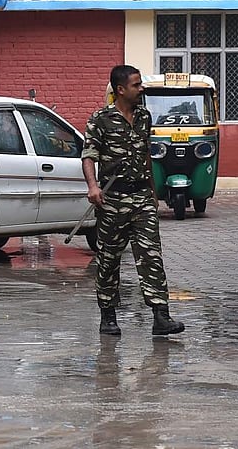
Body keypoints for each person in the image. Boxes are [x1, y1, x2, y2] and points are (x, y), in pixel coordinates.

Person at [81, 64, 185, 337]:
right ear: (120, 90)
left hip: (141, 199)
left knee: (152, 254)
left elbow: (146, 157)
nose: (142, 88)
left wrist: (153, 192)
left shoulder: (144, 117)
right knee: (108, 259)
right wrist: (93, 187)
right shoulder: (100, 119)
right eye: (136, 85)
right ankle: (108, 316)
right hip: (112, 200)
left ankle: (161, 316)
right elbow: (88, 155)